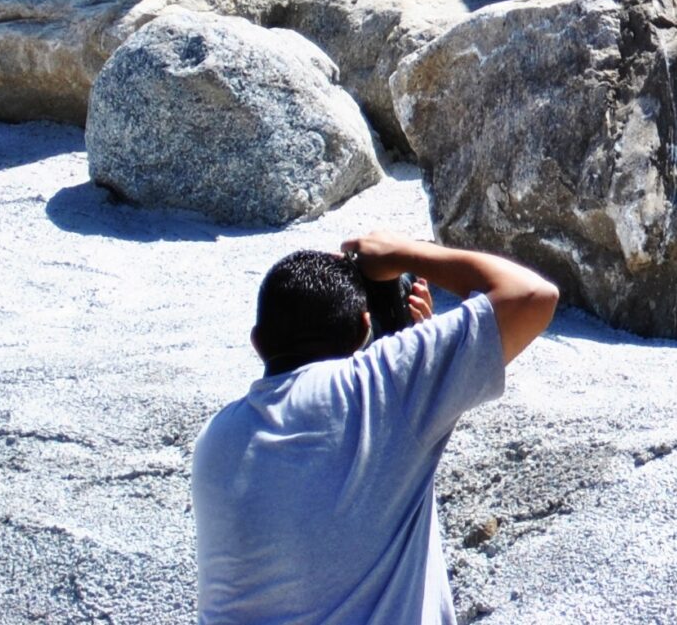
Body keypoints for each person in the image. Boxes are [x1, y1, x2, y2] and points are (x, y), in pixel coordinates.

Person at [192, 233, 559, 625]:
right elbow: (532, 294)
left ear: (257, 342)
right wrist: (401, 253)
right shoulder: (382, 386)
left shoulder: (215, 438)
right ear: (363, 329)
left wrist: (415, 354)